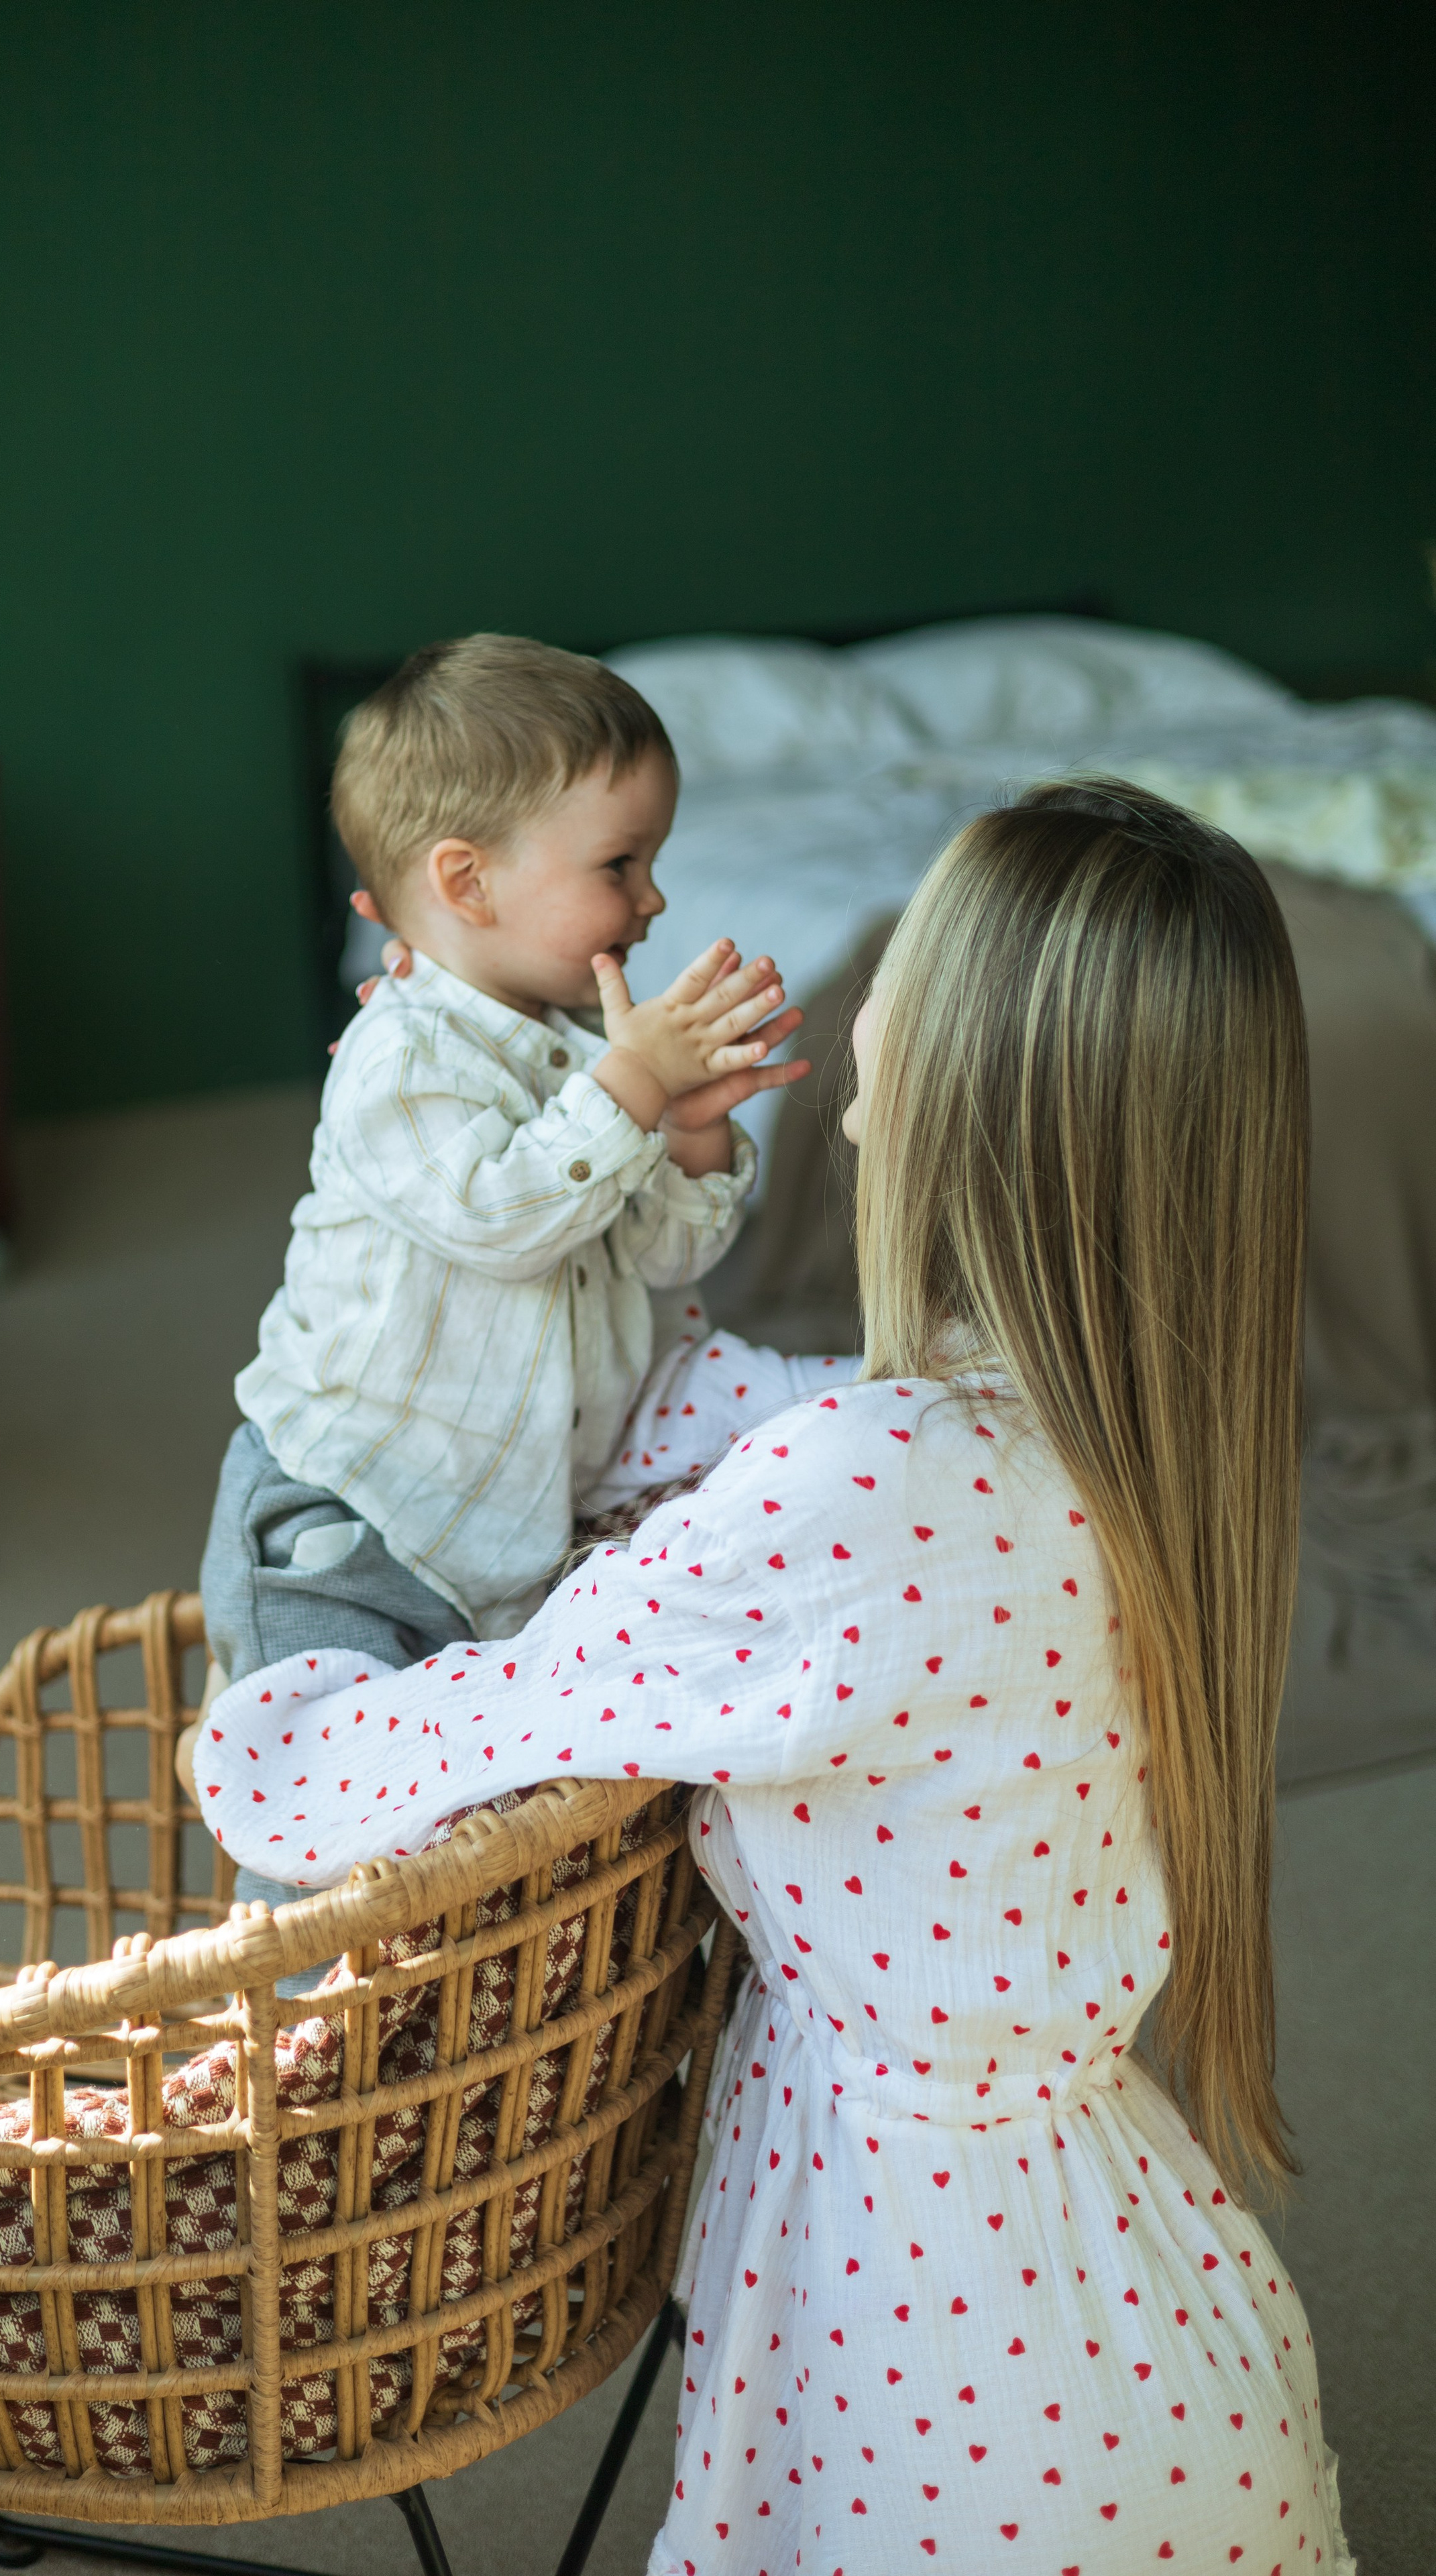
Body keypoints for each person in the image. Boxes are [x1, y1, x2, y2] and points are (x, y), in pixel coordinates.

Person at [195, 778, 1352, 2572]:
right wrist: (619, 1148)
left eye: (901, 957)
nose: (861, 997)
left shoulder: (867, 1492)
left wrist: (269, 1696)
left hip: (940, 2355)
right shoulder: (1103, 1432)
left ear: (974, 1069)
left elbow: (376, 1759)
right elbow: (687, 1416)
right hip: (1115, 2315)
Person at [195, 633, 812, 1922]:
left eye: (653, 862)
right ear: (466, 883)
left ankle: (442, 2048)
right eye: (619, 865)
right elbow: (504, 1218)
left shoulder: (586, 1048)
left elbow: (663, 1255)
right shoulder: (401, 1052)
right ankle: (292, 2059)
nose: (651, 900)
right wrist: (632, 1089)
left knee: (458, 1840)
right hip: (343, 1522)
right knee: (324, 1824)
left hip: (499, 1524)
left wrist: (691, 1125)